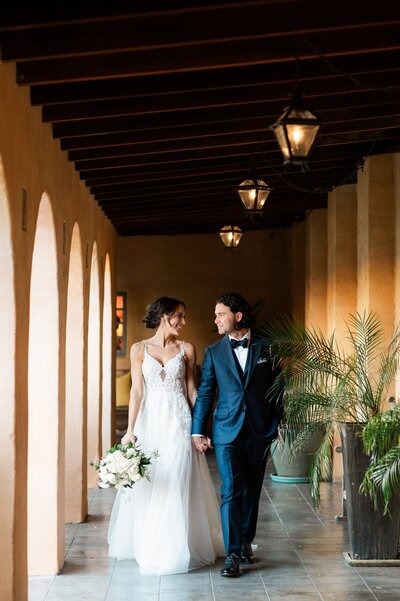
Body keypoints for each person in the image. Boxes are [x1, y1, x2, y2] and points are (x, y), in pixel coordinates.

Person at [108, 296, 224, 575]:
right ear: (164, 316)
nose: (183, 322)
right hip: (150, 423)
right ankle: (151, 543)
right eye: (179, 316)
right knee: (152, 483)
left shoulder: (187, 349)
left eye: (184, 316)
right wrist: (130, 431)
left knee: (178, 479)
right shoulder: (139, 348)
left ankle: (175, 547)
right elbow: (137, 392)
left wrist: (203, 428)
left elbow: (192, 391)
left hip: (179, 422)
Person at [192, 292, 283, 577]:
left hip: (259, 431)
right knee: (231, 489)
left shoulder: (268, 349)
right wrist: (197, 429)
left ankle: (245, 540)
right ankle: (232, 554)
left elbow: (277, 390)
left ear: (238, 316)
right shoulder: (213, 352)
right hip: (226, 431)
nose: (215, 319)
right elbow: (206, 392)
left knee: (252, 489)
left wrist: (276, 423)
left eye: (221, 314)